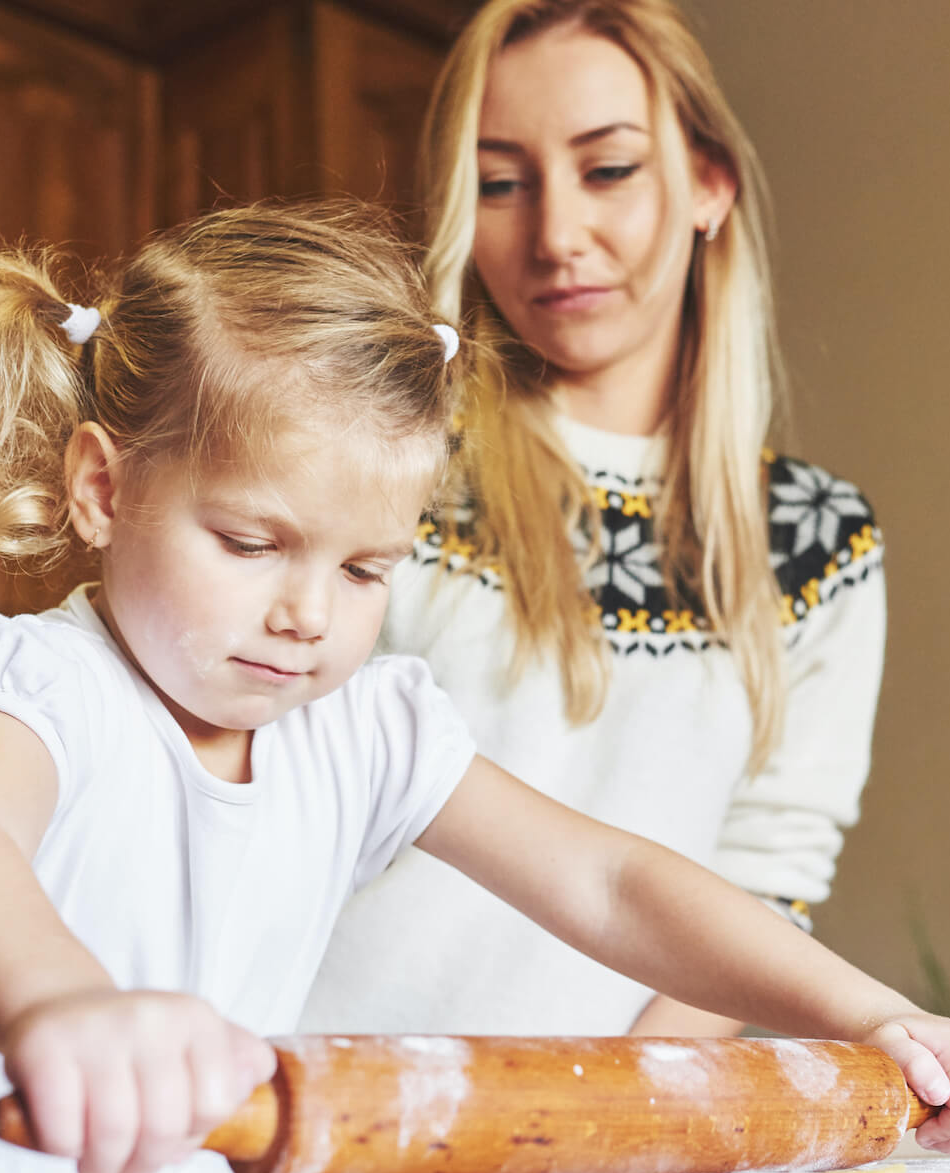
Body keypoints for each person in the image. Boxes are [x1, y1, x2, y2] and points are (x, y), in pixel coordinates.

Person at [0, 200, 950, 1173]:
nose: (309, 612)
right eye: (252, 541)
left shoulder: (364, 726)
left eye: (365, 569)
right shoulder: (47, 679)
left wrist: (875, 1016)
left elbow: (615, 884)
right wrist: (61, 1003)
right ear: (101, 487)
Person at [301, 0, 887, 1040]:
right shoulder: (391, 460)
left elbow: (765, 883)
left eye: (606, 169)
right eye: (498, 184)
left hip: (578, 1144)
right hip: (294, 1090)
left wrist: (607, 1133)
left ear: (709, 184)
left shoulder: (815, 546)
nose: (556, 235)